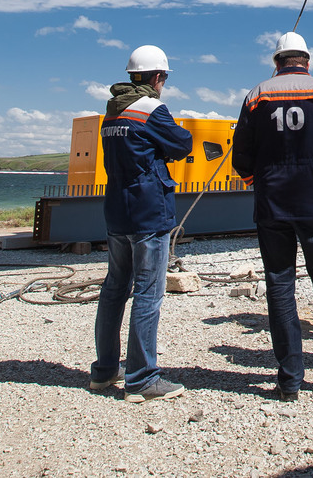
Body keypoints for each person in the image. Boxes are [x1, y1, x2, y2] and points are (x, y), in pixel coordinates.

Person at [232, 33, 313, 401]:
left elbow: (241, 154)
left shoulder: (257, 95)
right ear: (307, 60)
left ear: (277, 62)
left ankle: (289, 380)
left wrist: (259, 181)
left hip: (272, 206)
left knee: (280, 286)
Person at [91, 44, 193, 404]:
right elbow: (182, 143)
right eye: (163, 77)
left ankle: (105, 370)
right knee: (148, 292)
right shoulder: (151, 108)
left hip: (117, 211)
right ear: (157, 77)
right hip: (149, 212)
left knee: (114, 288)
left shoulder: (111, 112)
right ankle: (141, 379)